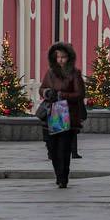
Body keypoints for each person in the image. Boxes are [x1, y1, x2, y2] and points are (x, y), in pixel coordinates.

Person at [40, 42, 85, 188]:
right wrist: (46, 93)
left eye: (63, 57)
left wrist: (61, 95)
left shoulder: (75, 73)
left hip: (67, 116)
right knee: (52, 149)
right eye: (58, 57)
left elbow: (80, 94)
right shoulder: (50, 73)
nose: (60, 60)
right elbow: (42, 88)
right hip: (51, 116)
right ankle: (58, 174)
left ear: (69, 58)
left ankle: (63, 177)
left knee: (64, 150)